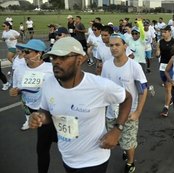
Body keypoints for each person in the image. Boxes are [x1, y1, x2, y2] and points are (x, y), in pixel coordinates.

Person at [29, 37, 132, 173]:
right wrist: (39, 117)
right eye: (53, 57)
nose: (56, 62)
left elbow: (127, 98)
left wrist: (117, 130)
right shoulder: (49, 83)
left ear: (79, 60)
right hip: (67, 157)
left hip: (94, 160)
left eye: (63, 57)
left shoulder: (99, 86)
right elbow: (46, 111)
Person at [102, 33, 148, 173]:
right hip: (111, 112)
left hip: (129, 113)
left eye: (117, 45)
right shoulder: (107, 65)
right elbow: (103, 87)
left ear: (125, 46)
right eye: (111, 45)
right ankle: (125, 149)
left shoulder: (134, 66)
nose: (114, 48)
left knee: (128, 143)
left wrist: (137, 112)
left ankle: (130, 162)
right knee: (113, 140)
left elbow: (143, 90)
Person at [9, 39, 57, 173]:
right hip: (31, 110)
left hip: (48, 112)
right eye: (23, 51)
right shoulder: (19, 68)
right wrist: (15, 91)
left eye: (27, 52)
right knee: (48, 140)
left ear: (39, 53)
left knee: (42, 147)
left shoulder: (51, 69)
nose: (24, 55)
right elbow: (16, 88)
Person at [156, 25, 174, 117]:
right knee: (166, 87)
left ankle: (166, 108)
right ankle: (171, 97)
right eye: (162, 32)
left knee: (168, 87)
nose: (163, 34)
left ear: (169, 32)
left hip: (171, 67)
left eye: (165, 32)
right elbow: (157, 53)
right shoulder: (159, 42)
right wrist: (157, 53)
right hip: (162, 66)